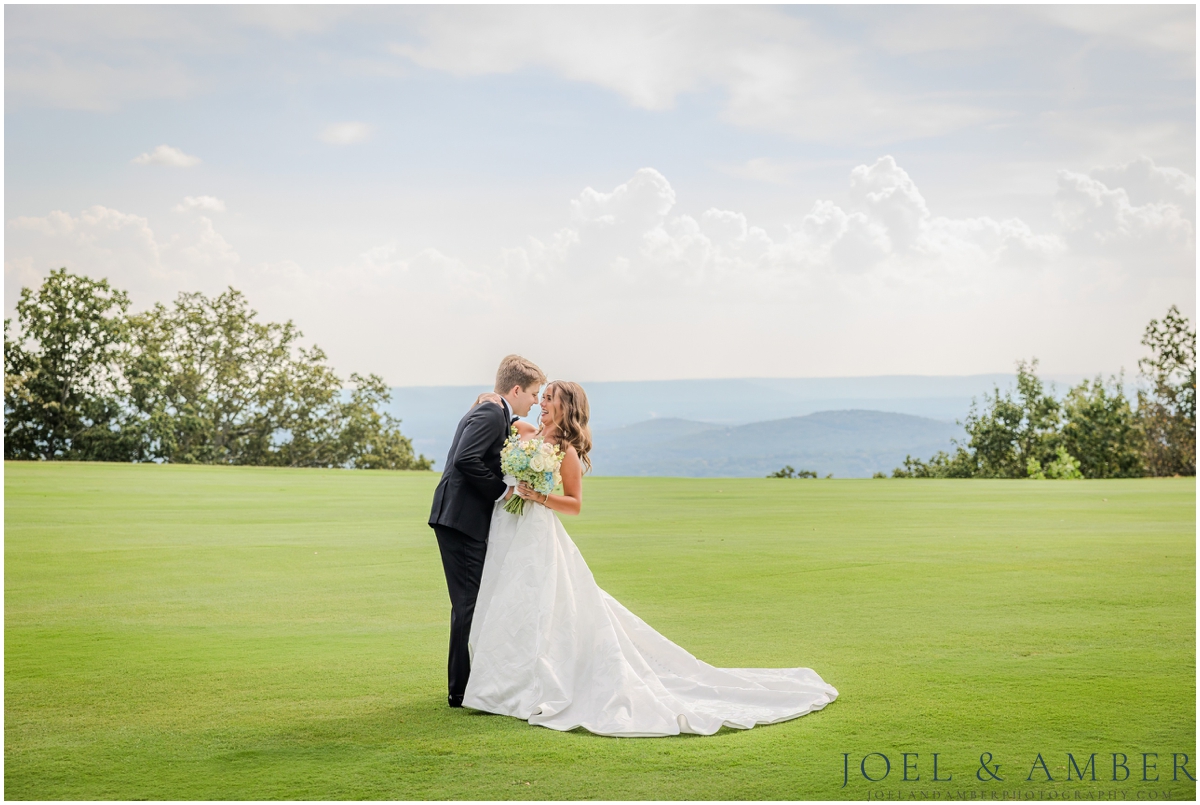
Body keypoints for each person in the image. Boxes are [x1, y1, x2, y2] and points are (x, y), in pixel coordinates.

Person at [460, 380, 839, 737]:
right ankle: (500, 683)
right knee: (505, 598)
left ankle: (532, 684)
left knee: (540, 602)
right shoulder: (523, 432)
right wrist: (487, 399)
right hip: (507, 526)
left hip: (537, 529)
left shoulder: (566, 452)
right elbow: (495, 426)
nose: (541, 403)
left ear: (565, 407)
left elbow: (574, 504)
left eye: (549, 399)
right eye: (541, 397)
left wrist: (539, 496)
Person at [428, 354, 546, 708]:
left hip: (461, 518)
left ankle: (468, 684)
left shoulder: (495, 412)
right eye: (534, 394)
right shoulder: (492, 412)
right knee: (469, 603)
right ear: (516, 390)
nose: (536, 401)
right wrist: (502, 491)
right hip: (460, 519)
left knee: (472, 602)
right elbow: (465, 458)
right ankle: (461, 689)